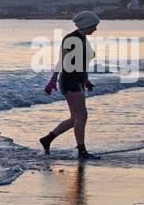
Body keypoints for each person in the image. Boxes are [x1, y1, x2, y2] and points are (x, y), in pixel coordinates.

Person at [39, 10, 101, 159]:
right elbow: (62, 61)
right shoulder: (71, 39)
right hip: (69, 81)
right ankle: (82, 151)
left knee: (75, 118)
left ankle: (47, 139)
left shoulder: (83, 38)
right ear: (87, 24)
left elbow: (81, 62)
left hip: (78, 80)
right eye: (94, 25)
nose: (95, 29)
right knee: (82, 115)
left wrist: (86, 80)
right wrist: (53, 80)